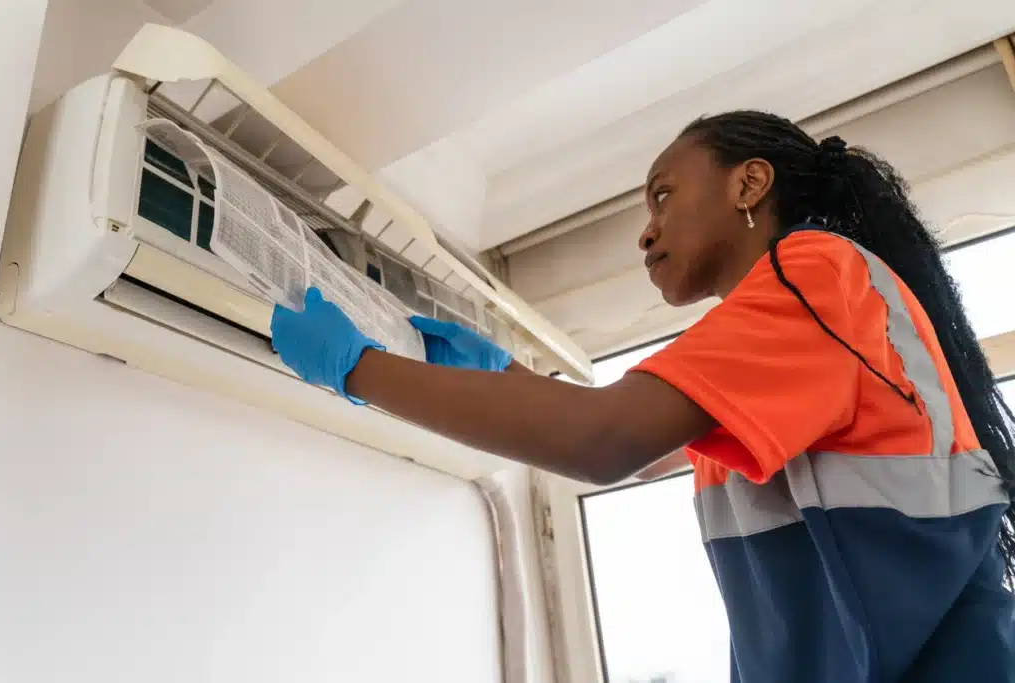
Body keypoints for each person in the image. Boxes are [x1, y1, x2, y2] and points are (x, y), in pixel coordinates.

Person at [270, 110, 1015, 682]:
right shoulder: (792, 321)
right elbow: (636, 443)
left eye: (663, 195)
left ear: (749, 184)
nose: (646, 232)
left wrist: (358, 369)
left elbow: (604, 440)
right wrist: (504, 374)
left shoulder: (812, 272)